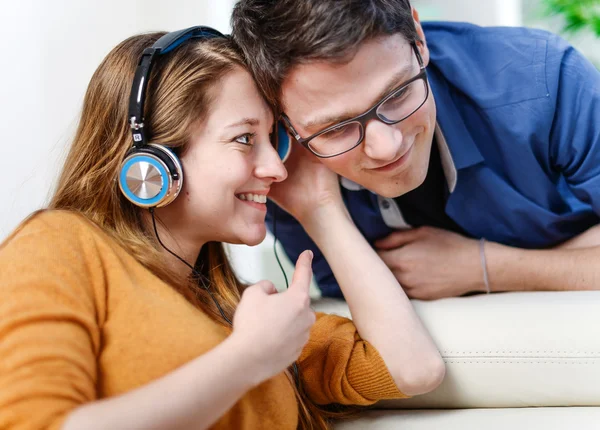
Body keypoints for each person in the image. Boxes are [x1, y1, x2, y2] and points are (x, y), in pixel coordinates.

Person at [0, 26, 444, 430]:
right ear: (154, 164)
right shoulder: (60, 246)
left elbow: (413, 368)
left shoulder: (237, 309)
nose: (277, 168)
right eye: (245, 139)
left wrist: (322, 207)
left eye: (276, 140)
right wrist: (247, 358)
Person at [231, 0, 600, 300]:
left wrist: (483, 266)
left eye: (398, 93)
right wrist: (320, 209)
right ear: (285, 124)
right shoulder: (284, 166)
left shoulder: (546, 80)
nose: (386, 147)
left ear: (418, 39)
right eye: (337, 128)